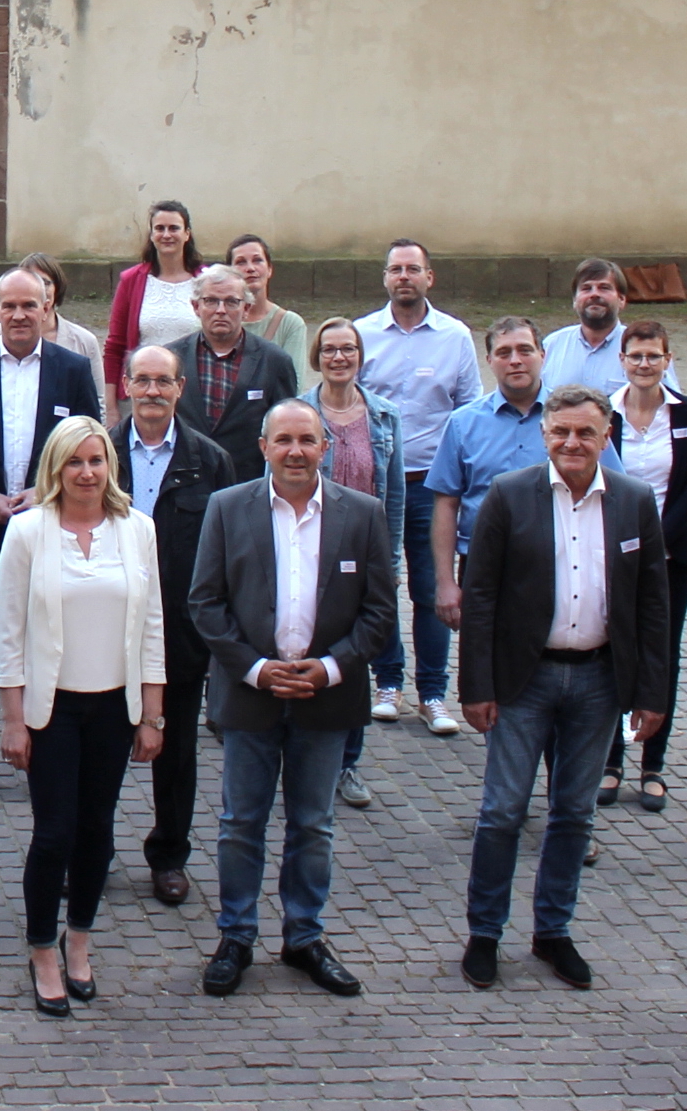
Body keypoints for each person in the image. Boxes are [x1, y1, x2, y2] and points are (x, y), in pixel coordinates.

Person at [455, 388, 672, 992]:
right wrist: (476, 686)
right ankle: (485, 934)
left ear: (607, 437)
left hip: (602, 680)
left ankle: (553, 931)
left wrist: (653, 692)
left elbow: (654, 604)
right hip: (524, 679)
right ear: (545, 434)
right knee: (502, 811)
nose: (571, 444)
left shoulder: (633, 501)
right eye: (560, 433)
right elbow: (480, 597)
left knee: (574, 814)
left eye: (585, 433)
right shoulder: (508, 495)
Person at [187, 402, 392, 998]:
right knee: (240, 823)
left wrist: (328, 670)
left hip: (327, 699)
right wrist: (255, 670)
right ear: (264, 446)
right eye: (285, 441)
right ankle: (236, 936)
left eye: (308, 440)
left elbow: (380, 610)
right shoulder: (228, 509)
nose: (296, 451)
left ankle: (304, 936)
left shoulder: (364, 515)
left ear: (325, 447)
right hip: (252, 696)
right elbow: (205, 602)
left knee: (313, 824)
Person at [0, 417, 165, 1016]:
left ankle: (81, 941)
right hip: (51, 711)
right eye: (75, 462)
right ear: (55, 469)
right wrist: (13, 719)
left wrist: (154, 713)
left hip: (114, 709)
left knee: (98, 831)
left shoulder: (137, 530)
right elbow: (7, 632)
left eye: (96, 461)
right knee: (54, 833)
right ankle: (42, 947)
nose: (87, 473)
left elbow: (151, 625)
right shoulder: (27, 533)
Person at [0, 267, 105, 804]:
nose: (19, 315)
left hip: (51, 528)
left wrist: (46, 491)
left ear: (47, 308)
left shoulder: (73, 370)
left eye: (30, 305)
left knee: (45, 641)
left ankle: (41, 753)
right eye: (9, 306)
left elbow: (89, 445)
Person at [428, 317, 625, 727]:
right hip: (487, 571)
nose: (515, 361)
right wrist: (446, 581)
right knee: (499, 679)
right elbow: (447, 502)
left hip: (566, 562)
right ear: (489, 361)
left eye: (524, 350)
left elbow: (613, 495)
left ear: (543, 356)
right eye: (504, 353)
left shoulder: (575, 419)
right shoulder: (464, 423)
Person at [110, 343, 234, 902]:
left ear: (181, 388)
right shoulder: (99, 452)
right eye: (143, 380)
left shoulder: (210, 461)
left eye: (164, 381)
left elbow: (226, 551)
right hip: (106, 625)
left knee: (176, 750)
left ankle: (170, 855)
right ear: (127, 386)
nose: (153, 391)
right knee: (101, 747)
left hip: (180, 629)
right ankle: (94, 849)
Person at [349, 239, 480, 732]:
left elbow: (469, 409)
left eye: (413, 269)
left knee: (431, 587)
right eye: (395, 269)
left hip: (432, 481)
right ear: (385, 278)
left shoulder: (455, 337)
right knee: (379, 584)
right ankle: (387, 681)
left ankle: (431, 693)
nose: (404, 277)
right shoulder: (362, 334)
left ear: (430, 277)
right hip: (375, 483)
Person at [602, 321, 687, 811]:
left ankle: (653, 764)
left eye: (654, 356)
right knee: (614, 651)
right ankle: (610, 759)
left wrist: (659, 539)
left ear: (669, 360)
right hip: (613, 553)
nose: (644, 365)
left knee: (662, 653)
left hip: (670, 556)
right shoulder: (606, 414)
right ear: (622, 360)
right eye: (636, 356)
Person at [306, 319, 406, 810]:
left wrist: (390, 564)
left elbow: (397, 497)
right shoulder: (297, 412)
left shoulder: (384, 416)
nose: (339, 357)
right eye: (329, 349)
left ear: (360, 356)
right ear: (316, 356)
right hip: (308, 551)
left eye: (348, 349)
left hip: (361, 557)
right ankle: (303, 760)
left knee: (354, 661)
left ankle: (347, 764)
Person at [166, 265, 298, 460]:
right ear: (196, 307)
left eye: (231, 302)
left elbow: (286, 430)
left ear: (246, 309)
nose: (221, 310)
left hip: (247, 480)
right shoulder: (171, 358)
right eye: (211, 301)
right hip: (187, 476)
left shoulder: (274, 361)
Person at [100, 199, 204, 401]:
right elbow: (115, 347)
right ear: (152, 235)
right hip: (143, 395)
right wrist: (111, 407)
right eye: (160, 228)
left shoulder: (205, 281)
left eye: (174, 228)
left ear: (187, 234)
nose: (166, 235)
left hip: (194, 397)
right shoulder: (131, 281)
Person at [537, 257, 668, 400]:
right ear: (574, 301)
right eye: (586, 288)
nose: (594, 294)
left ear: (622, 300)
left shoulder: (645, 349)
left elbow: (671, 405)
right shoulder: (551, 346)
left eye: (604, 288)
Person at [17, 251, 109, 406]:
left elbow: (98, 401)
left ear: (57, 288)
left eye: (45, 282)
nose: (38, 288)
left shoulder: (84, 341)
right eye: (32, 280)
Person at [223, 235, 309, 391]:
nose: (250, 268)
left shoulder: (290, 324)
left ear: (269, 269)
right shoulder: (216, 321)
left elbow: (295, 387)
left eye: (257, 260)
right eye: (241, 262)